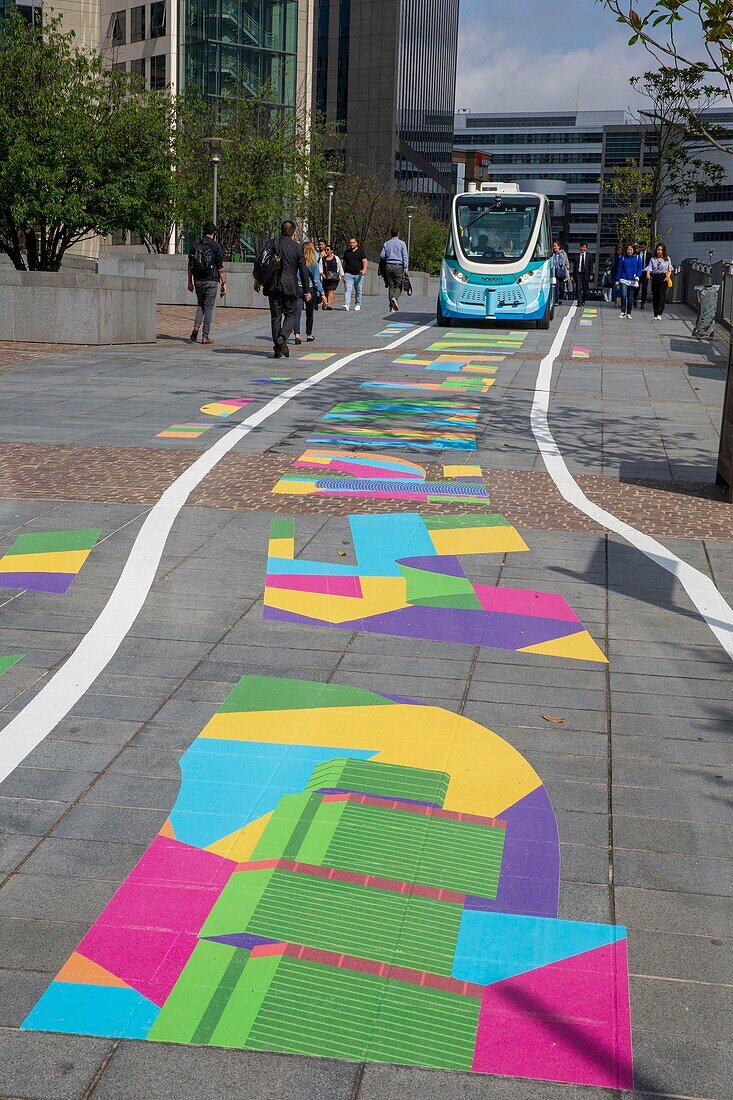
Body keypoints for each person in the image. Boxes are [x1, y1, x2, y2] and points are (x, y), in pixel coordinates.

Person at [253, 219, 310, 358]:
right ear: (294, 232)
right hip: (290, 286)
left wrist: (257, 280)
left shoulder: (271, 243)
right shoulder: (297, 248)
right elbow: (303, 270)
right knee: (291, 314)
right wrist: (307, 291)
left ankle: (277, 349)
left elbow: (262, 262)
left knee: (275, 317)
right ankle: (283, 336)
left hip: (273, 285)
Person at [188, 222, 226, 345]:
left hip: (198, 280)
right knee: (208, 308)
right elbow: (220, 267)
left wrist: (190, 281)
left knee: (200, 305)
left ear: (204, 232)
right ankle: (205, 336)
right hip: (211, 280)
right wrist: (224, 283)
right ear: (213, 233)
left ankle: (196, 326)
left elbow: (190, 265)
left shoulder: (195, 245)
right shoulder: (216, 246)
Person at [294, 240, 324, 344]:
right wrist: (322, 293)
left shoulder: (297, 263)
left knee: (297, 312)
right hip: (310, 289)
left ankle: (297, 335)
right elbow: (316, 280)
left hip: (298, 288)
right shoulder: (313, 264)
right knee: (309, 313)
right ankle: (308, 334)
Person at [380, 227, 409, 312]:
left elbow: (382, 255)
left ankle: (391, 307)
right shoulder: (402, 243)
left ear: (391, 234)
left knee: (391, 286)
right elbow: (405, 256)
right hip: (398, 266)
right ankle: (395, 298)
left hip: (388, 265)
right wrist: (405, 267)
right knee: (399, 285)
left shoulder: (386, 243)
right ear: (398, 234)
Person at [645, 243, 673, 320]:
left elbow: (670, 269)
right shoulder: (653, 259)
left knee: (662, 295)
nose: (659, 251)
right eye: (658, 249)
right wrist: (648, 274)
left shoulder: (667, 259)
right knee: (655, 296)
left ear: (663, 250)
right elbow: (649, 268)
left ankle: (660, 312)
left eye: (661, 250)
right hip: (655, 277)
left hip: (663, 278)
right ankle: (655, 313)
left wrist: (668, 277)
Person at [615, 243, 643, 318]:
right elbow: (619, 269)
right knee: (623, 295)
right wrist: (617, 280)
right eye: (628, 249)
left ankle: (629, 313)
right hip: (623, 279)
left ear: (633, 250)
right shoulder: (623, 258)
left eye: (631, 249)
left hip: (633, 280)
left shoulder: (637, 258)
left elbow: (640, 268)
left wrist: (637, 276)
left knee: (630, 297)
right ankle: (622, 311)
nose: (629, 251)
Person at [342, 235, 368, 311]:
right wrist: (343, 274)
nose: (352, 244)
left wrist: (364, 270)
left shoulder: (361, 251)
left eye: (353, 243)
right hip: (348, 274)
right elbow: (344, 263)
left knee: (358, 289)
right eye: (350, 243)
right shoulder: (346, 252)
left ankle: (358, 303)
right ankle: (346, 304)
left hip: (359, 274)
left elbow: (364, 261)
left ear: (356, 243)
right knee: (348, 289)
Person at [321, 245, 343, 310]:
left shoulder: (336, 258)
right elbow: (320, 268)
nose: (326, 251)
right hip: (325, 278)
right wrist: (322, 274)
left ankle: (329, 304)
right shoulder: (323, 259)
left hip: (334, 278)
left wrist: (342, 276)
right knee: (326, 291)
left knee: (331, 290)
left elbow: (339, 267)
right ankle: (325, 303)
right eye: (325, 250)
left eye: (328, 250)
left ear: (331, 251)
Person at [572, 242, 594, 307]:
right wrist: (573, 276)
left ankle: (583, 300)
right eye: (581, 247)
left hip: (586, 274)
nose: (582, 248)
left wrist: (591, 274)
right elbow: (574, 267)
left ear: (586, 248)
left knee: (585, 289)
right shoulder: (576, 256)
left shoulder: (589, 256)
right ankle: (579, 302)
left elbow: (591, 266)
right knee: (578, 288)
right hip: (578, 274)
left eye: (584, 247)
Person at [551, 241, 570, 306]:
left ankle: (561, 298)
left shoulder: (563, 253)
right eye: (553, 246)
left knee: (561, 288)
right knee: (556, 287)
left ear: (559, 246)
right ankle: (556, 301)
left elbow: (567, 262)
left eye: (555, 246)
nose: (554, 247)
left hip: (561, 272)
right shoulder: (552, 254)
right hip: (555, 272)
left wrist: (567, 270)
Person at [634, 242, 651, 310]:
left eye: (643, 247)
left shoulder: (649, 255)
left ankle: (643, 303)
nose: (642, 248)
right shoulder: (637, 254)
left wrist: (649, 273)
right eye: (641, 247)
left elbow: (650, 264)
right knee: (636, 288)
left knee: (644, 288)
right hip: (639, 272)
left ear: (646, 246)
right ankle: (634, 301)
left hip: (645, 272)